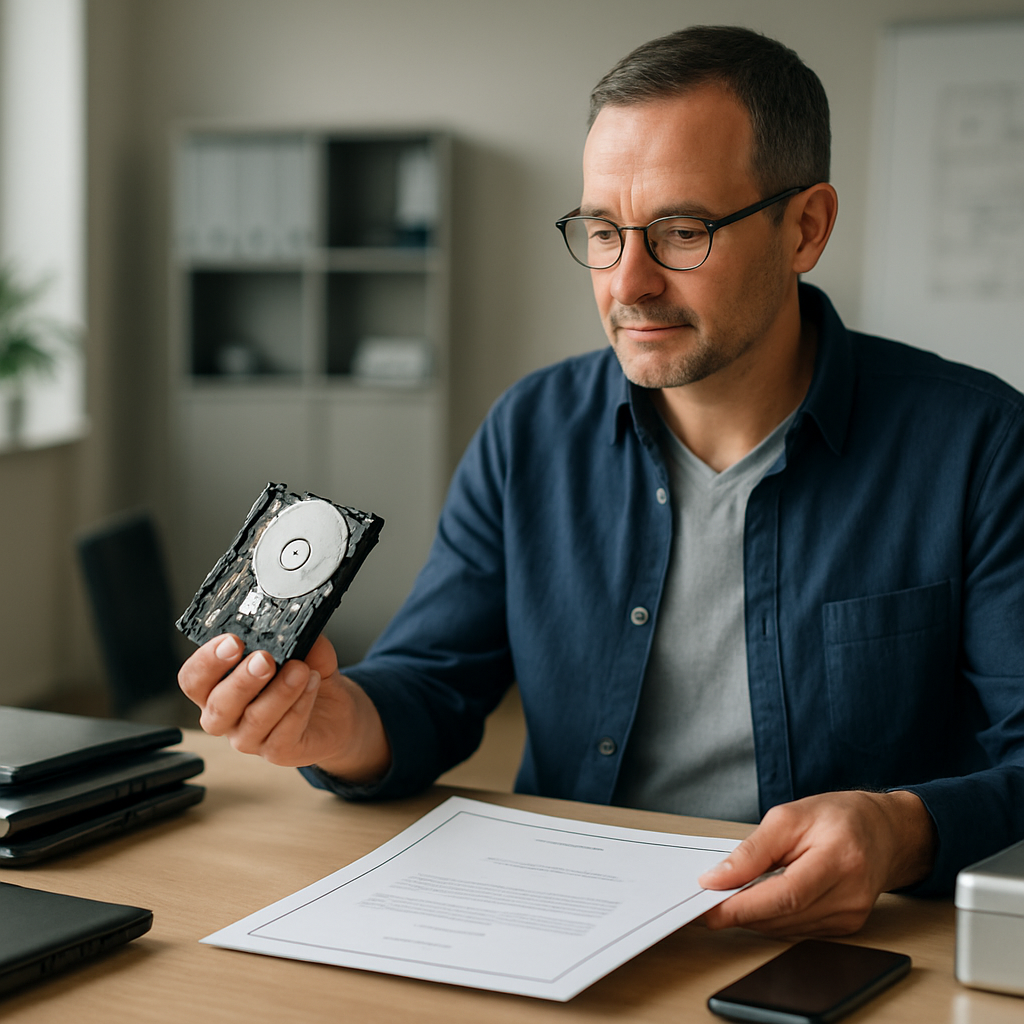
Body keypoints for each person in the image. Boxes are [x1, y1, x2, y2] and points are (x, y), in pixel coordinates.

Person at [179, 26, 1024, 938]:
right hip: (565, 931)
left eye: (681, 231)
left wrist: (901, 830)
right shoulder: (529, 432)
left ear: (805, 227)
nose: (630, 281)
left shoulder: (979, 444)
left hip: (842, 941)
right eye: (604, 231)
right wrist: (337, 726)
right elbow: (432, 684)